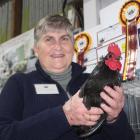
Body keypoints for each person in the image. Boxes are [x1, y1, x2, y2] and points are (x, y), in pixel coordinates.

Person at [0, 15, 134, 140]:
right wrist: (64, 116)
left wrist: (114, 120)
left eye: (64, 38)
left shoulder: (95, 81)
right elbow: (4, 133)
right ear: (36, 49)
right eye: (49, 39)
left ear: (73, 45)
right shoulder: (19, 84)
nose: (58, 47)